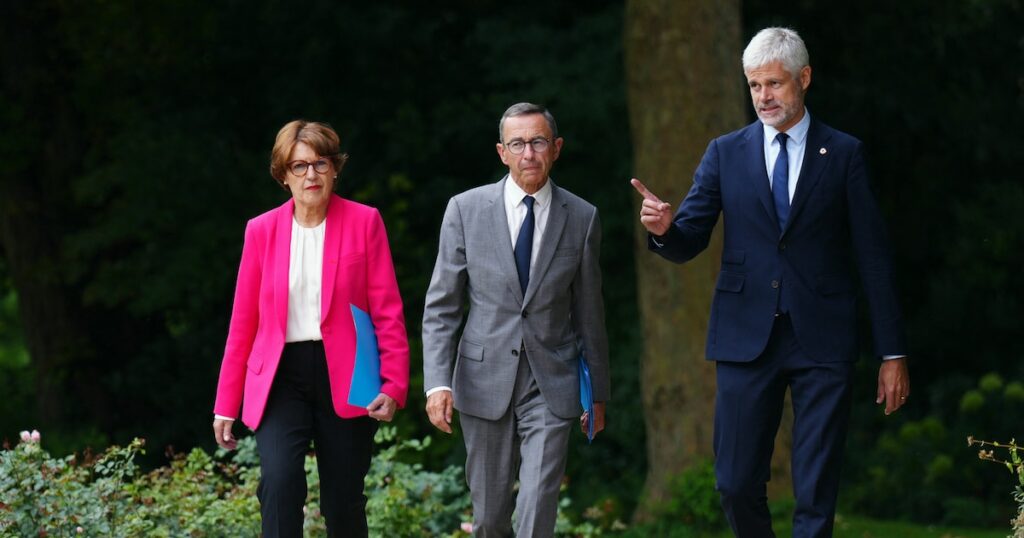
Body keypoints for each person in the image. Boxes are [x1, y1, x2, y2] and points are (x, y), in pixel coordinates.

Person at [631, 27, 910, 537]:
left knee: (815, 487)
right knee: (734, 482)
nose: (764, 97)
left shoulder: (844, 153)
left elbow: (873, 258)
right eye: (755, 86)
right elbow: (690, 237)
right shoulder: (725, 152)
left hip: (823, 338)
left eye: (775, 84)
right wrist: (665, 230)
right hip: (744, 335)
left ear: (804, 78)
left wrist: (893, 353)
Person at [212, 120, 409, 537]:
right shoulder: (261, 231)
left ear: (335, 168)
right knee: (280, 484)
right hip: (281, 375)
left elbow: (387, 311)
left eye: (320, 163)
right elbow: (243, 322)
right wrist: (226, 402)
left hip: (349, 374)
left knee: (342, 501)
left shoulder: (365, 222)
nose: (311, 175)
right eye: (298, 166)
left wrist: (393, 385)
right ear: (283, 176)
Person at [422, 102, 610, 537]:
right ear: (501, 152)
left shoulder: (582, 217)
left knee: (537, 506)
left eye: (538, 142)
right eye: (518, 144)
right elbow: (442, 306)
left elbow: (589, 312)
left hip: (553, 381)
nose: (529, 153)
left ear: (556, 148)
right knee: (489, 517)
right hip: (481, 378)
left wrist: (597, 392)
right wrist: (437, 383)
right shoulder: (465, 210)